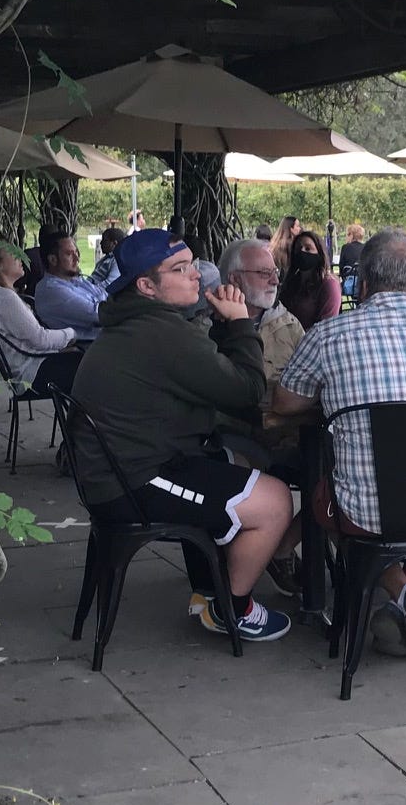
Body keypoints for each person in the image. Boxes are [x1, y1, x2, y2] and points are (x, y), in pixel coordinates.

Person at [69, 230, 294, 642]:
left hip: (119, 472)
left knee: (229, 462)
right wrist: (242, 323)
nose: (196, 275)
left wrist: (227, 329)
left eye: (192, 263)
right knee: (276, 500)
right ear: (146, 286)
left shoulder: (138, 325)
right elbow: (246, 392)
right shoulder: (162, 334)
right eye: (179, 269)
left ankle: (207, 591)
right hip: (134, 483)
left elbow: (209, 378)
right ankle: (233, 609)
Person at [274, 228, 406, 662]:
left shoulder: (330, 335)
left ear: (362, 284)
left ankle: (400, 592)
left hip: (361, 510)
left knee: (324, 502)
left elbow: (286, 401)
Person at [0, 242, 82, 394]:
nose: (20, 257)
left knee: (87, 361)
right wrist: (72, 333)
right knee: (95, 366)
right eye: (13, 254)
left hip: (25, 369)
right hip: (33, 374)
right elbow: (40, 339)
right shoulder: (5, 299)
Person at [217, 238, 306, 402]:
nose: (275, 281)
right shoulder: (205, 328)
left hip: (282, 426)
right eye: (265, 273)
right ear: (235, 279)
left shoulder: (290, 326)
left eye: (276, 272)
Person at [33, 228, 107, 340]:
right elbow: (100, 315)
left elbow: (105, 296)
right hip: (87, 351)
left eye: (76, 252)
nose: (77, 258)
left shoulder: (75, 280)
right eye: (69, 254)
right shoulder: (51, 290)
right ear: (53, 260)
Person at [279, 229, 341, 329]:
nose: (302, 251)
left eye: (308, 248)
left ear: (319, 253)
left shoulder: (329, 284)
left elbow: (327, 325)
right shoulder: (292, 281)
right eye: (298, 248)